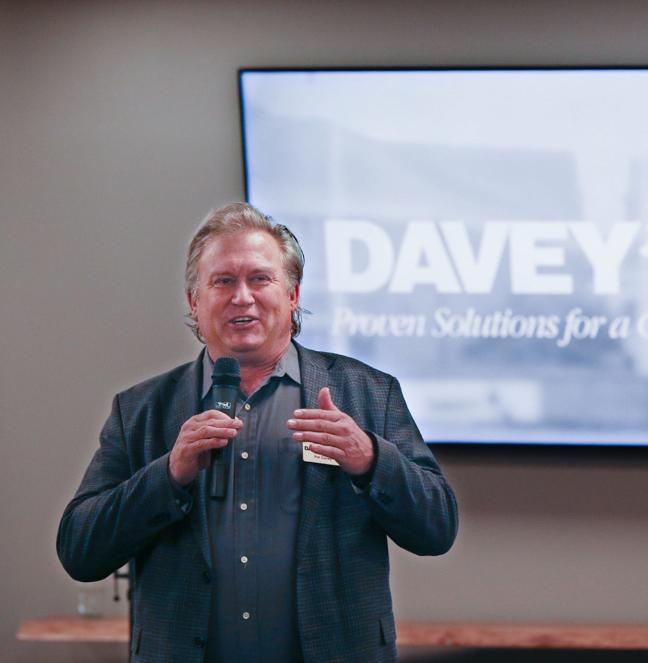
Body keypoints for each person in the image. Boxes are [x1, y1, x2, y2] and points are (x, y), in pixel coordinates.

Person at [57, 202, 458, 663]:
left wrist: (370, 460)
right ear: (194, 301)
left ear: (292, 295)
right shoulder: (142, 411)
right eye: (223, 281)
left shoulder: (367, 393)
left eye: (260, 279)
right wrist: (168, 474)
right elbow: (79, 550)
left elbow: (438, 528)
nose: (241, 297)